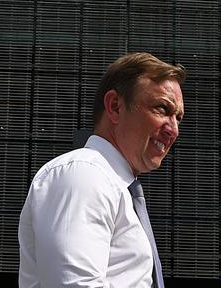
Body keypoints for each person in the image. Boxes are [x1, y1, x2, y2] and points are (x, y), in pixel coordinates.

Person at [18, 52, 185, 288]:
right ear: (115, 106)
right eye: (162, 109)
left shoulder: (111, 183)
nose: (174, 130)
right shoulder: (84, 174)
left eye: (178, 118)